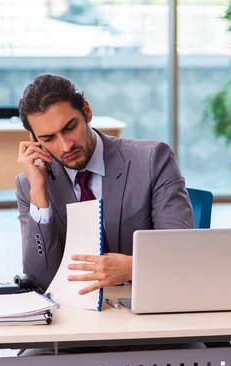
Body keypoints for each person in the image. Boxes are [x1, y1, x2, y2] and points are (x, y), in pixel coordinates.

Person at [15, 74, 194, 294]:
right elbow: (39, 281)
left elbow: (180, 251)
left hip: (146, 303)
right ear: (35, 141)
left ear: (87, 112)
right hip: (75, 315)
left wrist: (132, 267)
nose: (65, 146)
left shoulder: (152, 160)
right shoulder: (30, 185)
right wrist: (39, 195)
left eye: (70, 127)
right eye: (48, 138)